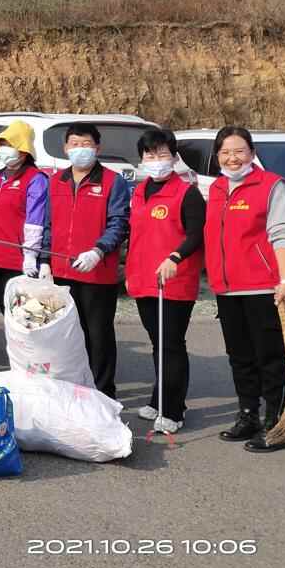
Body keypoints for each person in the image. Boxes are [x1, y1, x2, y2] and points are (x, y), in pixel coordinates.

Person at [204, 126, 285, 452]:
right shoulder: (215, 188)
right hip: (227, 289)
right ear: (217, 157)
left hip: (262, 287)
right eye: (225, 152)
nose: (233, 158)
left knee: (269, 358)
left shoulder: (272, 185)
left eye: (239, 151)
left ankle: (275, 422)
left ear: (252, 152)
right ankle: (248, 415)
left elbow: (283, 233)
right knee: (239, 357)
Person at [37, 122, 132, 398]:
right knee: (66, 336)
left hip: (96, 273)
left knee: (98, 336)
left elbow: (119, 223)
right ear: (66, 148)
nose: (80, 150)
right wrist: (44, 260)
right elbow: (49, 224)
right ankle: (72, 389)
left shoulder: (113, 182)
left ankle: (102, 393)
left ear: (97, 148)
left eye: (86, 144)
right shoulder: (56, 181)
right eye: (75, 144)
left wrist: (98, 250)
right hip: (62, 272)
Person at [126, 128, 205, 435]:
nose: (156, 160)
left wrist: (175, 257)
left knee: (171, 344)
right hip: (143, 278)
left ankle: (174, 410)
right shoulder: (139, 190)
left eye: (162, 154)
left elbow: (196, 235)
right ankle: (159, 399)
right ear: (142, 158)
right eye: (149, 154)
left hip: (174, 281)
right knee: (157, 342)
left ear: (173, 157)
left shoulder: (187, 193)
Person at [0, 120, 49, 309]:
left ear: (23, 150)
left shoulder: (35, 179)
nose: (4, 149)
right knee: (6, 310)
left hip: (18, 258)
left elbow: (35, 219)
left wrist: (30, 255)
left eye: (10, 145)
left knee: (23, 313)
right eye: (2, 145)